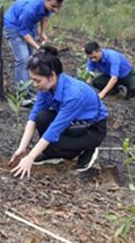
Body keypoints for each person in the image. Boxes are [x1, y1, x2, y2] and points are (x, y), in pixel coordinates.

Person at [9, 46, 108, 177]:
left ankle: (89, 149)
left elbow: (54, 129)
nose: (34, 84)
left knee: (55, 141)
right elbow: (33, 117)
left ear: (52, 76)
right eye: (32, 80)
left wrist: (30, 157)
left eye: (37, 80)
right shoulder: (46, 88)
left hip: (91, 130)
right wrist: (22, 149)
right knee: (42, 118)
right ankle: (59, 152)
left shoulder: (73, 95)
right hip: (73, 124)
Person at [3, 0, 65, 103]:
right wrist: (38, 47)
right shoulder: (30, 9)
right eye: (53, 6)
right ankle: (21, 94)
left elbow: (45, 16)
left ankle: (30, 91)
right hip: (13, 26)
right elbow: (22, 32)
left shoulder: (47, 2)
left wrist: (43, 33)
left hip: (28, 26)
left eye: (58, 7)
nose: (55, 10)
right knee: (23, 58)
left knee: (32, 60)